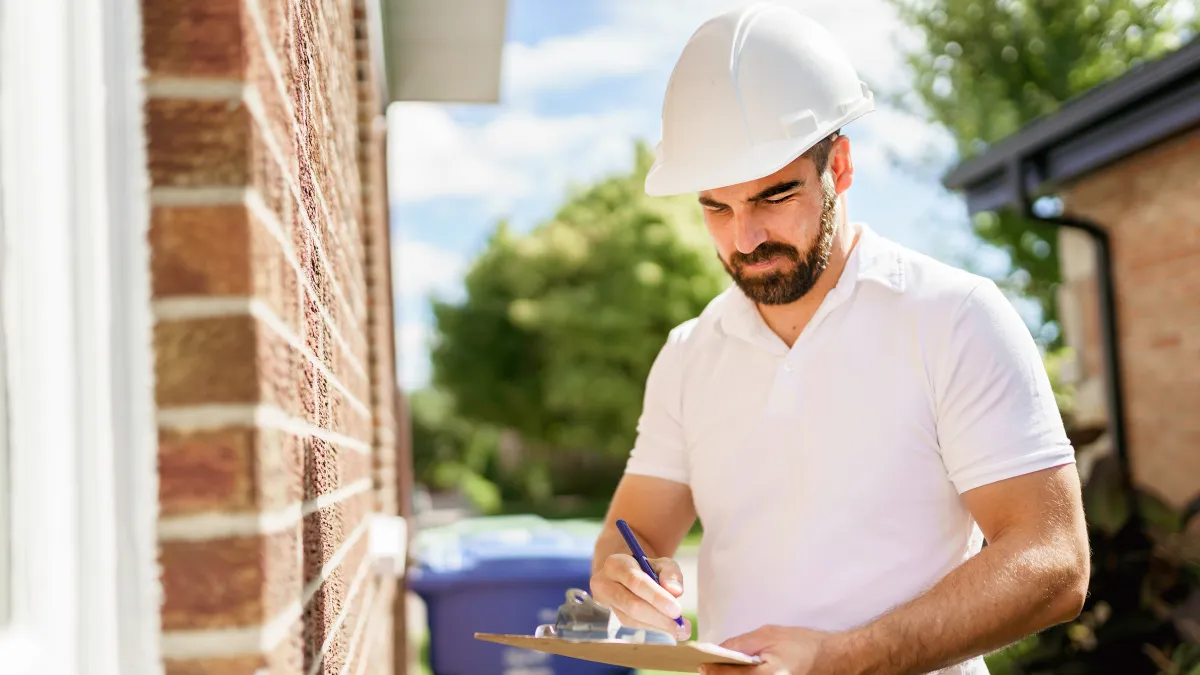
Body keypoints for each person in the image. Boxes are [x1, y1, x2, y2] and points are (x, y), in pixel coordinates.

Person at [588, 3, 1090, 674]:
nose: (745, 239)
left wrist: (848, 658)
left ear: (841, 166)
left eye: (773, 196)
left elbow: (1054, 560)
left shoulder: (953, 316)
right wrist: (622, 571)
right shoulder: (689, 354)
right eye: (717, 206)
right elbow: (634, 536)